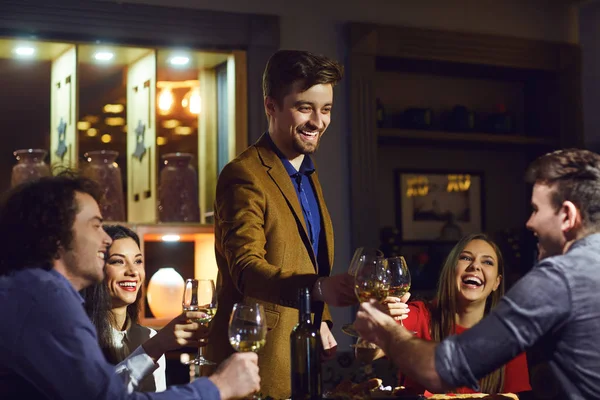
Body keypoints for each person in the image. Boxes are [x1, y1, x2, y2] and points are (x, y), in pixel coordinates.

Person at [354, 148, 600, 399]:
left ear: (567, 215)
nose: (529, 223)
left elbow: (444, 370)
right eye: (466, 258)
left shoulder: (557, 278)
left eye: (536, 210)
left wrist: (384, 329)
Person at [0, 172, 260, 400]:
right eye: (95, 226)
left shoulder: (36, 294)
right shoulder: (45, 300)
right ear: (56, 236)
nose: (105, 239)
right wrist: (218, 387)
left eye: (138, 261)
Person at [207, 49, 357, 399]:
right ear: (271, 106)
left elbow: (300, 258)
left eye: (326, 109)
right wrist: (318, 290)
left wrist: (320, 318)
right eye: (305, 107)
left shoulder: (306, 173)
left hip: (300, 356)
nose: (318, 122)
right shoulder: (243, 174)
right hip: (254, 363)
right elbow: (246, 269)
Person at [355, 234, 531, 396]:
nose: (475, 266)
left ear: (496, 283)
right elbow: (365, 354)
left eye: (487, 262)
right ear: (450, 271)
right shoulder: (420, 315)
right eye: (466, 258)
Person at [81, 224, 207, 392]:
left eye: (138, 261)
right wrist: (156, 346)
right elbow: (99, 394)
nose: (133, 271)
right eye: (118, 261)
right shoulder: (80, 336)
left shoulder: (148, 336)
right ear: (95, 269)